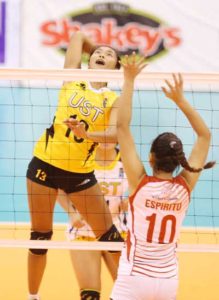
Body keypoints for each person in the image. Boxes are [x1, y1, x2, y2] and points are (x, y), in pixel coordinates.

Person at [26, 31, 124, 300]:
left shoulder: (113, 99)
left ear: (115, 67)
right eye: (97, 54)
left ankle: (133, 292)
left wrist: (86, 134)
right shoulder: (72, 77)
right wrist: (102, 51)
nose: (101, 55)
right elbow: (79, 35)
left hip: (79, 172)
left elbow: (115, 134)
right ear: (88, 59)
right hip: (44, 164)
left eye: (108, 55)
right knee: (39, 238)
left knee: (113, 239)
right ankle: (32, 297)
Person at [110, 55, 215, 300]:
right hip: (167, 281)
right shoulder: (185, 186)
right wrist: (180, 100)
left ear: (151, 158)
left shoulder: (140, 183)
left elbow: (122, 127)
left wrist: (129, 79)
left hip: (134, 277)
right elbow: (204, 136)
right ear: (179, 161)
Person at [57, 142, 128, 300]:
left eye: (109, 131)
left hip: (117, 232)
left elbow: (140, 188)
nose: (105, 138)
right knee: (90, 295)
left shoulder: (126, 159)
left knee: (128, 292)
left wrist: (130, 202)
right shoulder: (80, 158)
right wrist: (71, 212)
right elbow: (58, 188)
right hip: (84, 232)